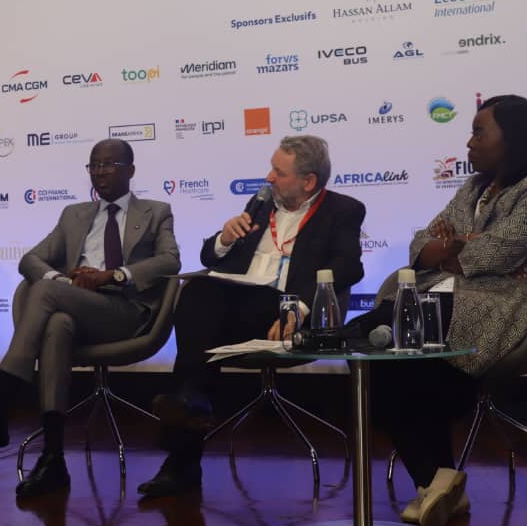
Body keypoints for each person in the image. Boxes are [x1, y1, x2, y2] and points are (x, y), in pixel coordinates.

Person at [365, 95, 527, 526]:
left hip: (502, 308)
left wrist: (458, 246)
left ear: (512, 137)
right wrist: (453, 248)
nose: (469, 142)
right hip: (444, 300)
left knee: (386, 336)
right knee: (379, 354)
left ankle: (436, 480)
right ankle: (439, 487)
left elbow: (496, 252)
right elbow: (421, 243)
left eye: (480, 132)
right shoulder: (473, 188)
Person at [0, 138, 181, 497]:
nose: (100, 172)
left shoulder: (156, 212)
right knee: (56, 323)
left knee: (46, 292)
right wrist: (64, 281)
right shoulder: (74, 215)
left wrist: (114, 275)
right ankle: (53, 459)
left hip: (126, 313)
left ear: (130, 170)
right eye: (94, 165)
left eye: (109, 165)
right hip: (76, 307)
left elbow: (170, 260)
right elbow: (31, 260)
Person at [137, 135, 365, 498]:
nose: (269, 178)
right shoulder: (261, 203)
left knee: (202, 314)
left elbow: (349, 267)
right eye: (271, 168)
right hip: (233, 306)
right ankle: (191, 402)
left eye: (279, 172)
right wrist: (224, 240)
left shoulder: (344, 210)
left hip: (283, 311)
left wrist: (299, 308)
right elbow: (211, 258)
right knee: (196, 289)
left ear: (308, 181)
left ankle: (183, 450)